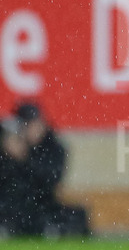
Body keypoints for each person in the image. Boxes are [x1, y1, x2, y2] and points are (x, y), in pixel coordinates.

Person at [0, 102, 89, 237]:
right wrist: (8, 156)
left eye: (36, 123)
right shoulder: (7, 148)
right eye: (28, 124)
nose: (34, 128)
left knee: (76, 216)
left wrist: (25, 158)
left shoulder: (53, 147)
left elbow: (51, 179)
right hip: (11, 205)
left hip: (41, 204)